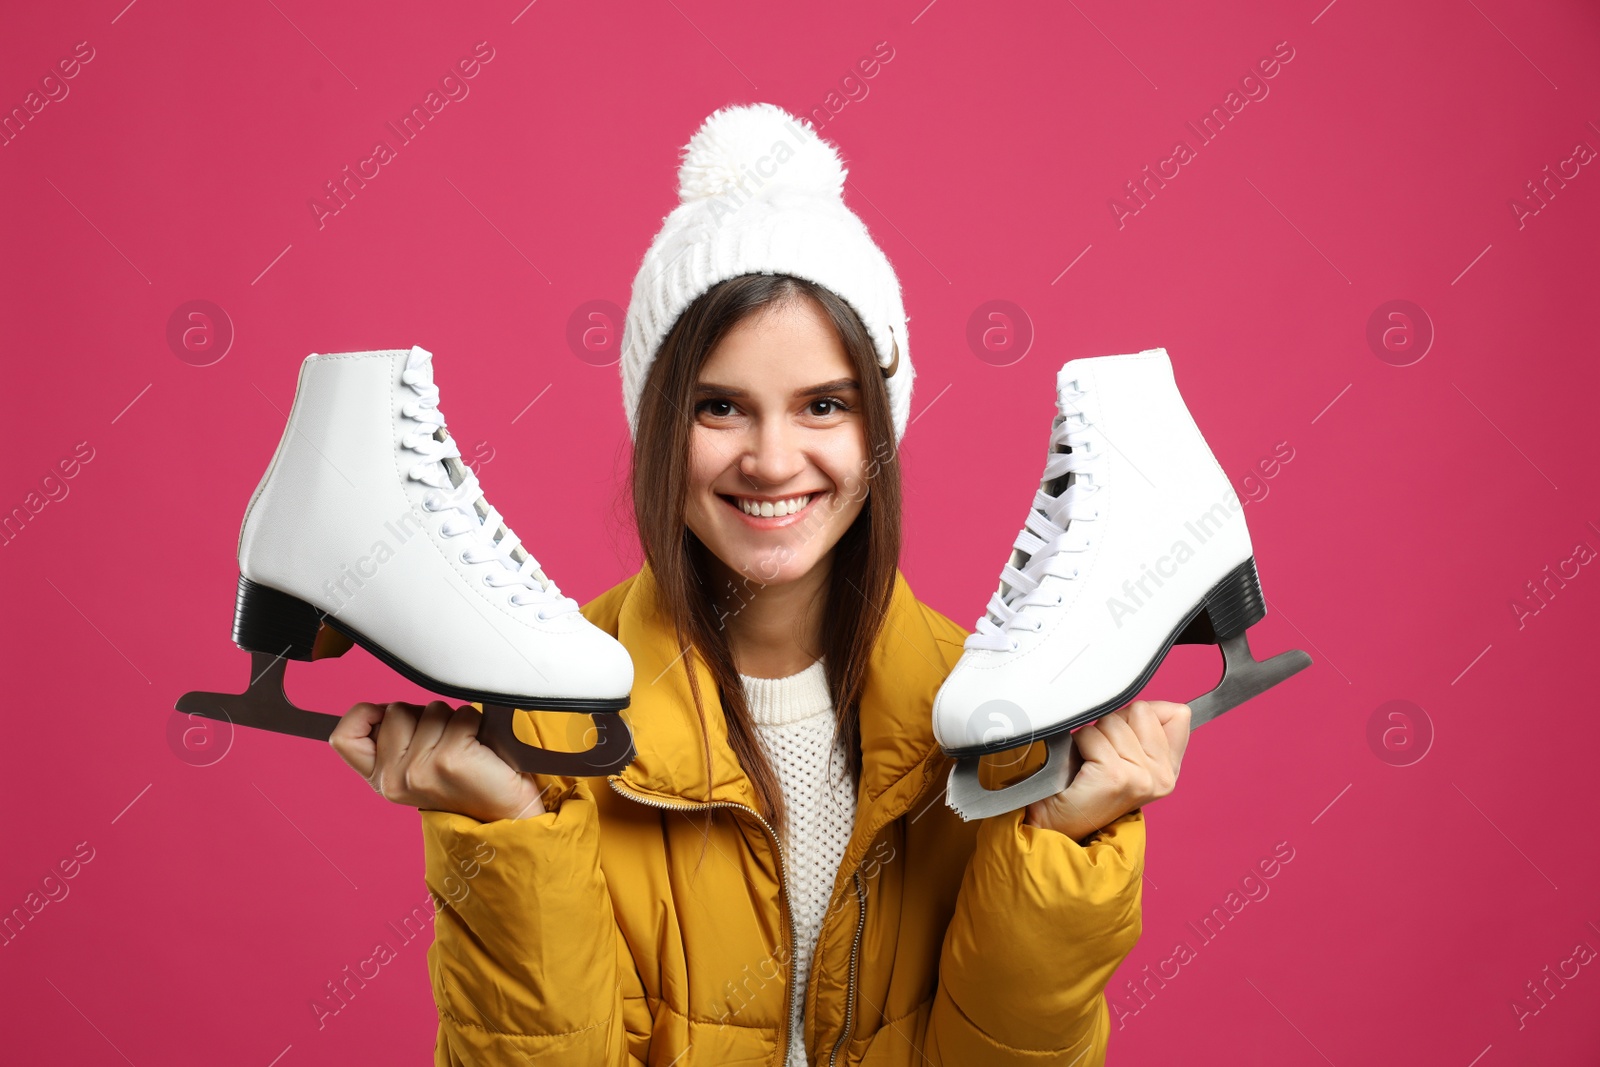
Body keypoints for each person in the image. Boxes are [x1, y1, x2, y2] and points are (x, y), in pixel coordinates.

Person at [330, 103, 1190, 1067]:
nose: (773, 460)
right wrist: (511, 837)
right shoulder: (548, 719)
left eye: (824, 404)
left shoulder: (996, 724)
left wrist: (1060, 852)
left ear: (880, 427)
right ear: (657, 424)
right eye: (720, 407)